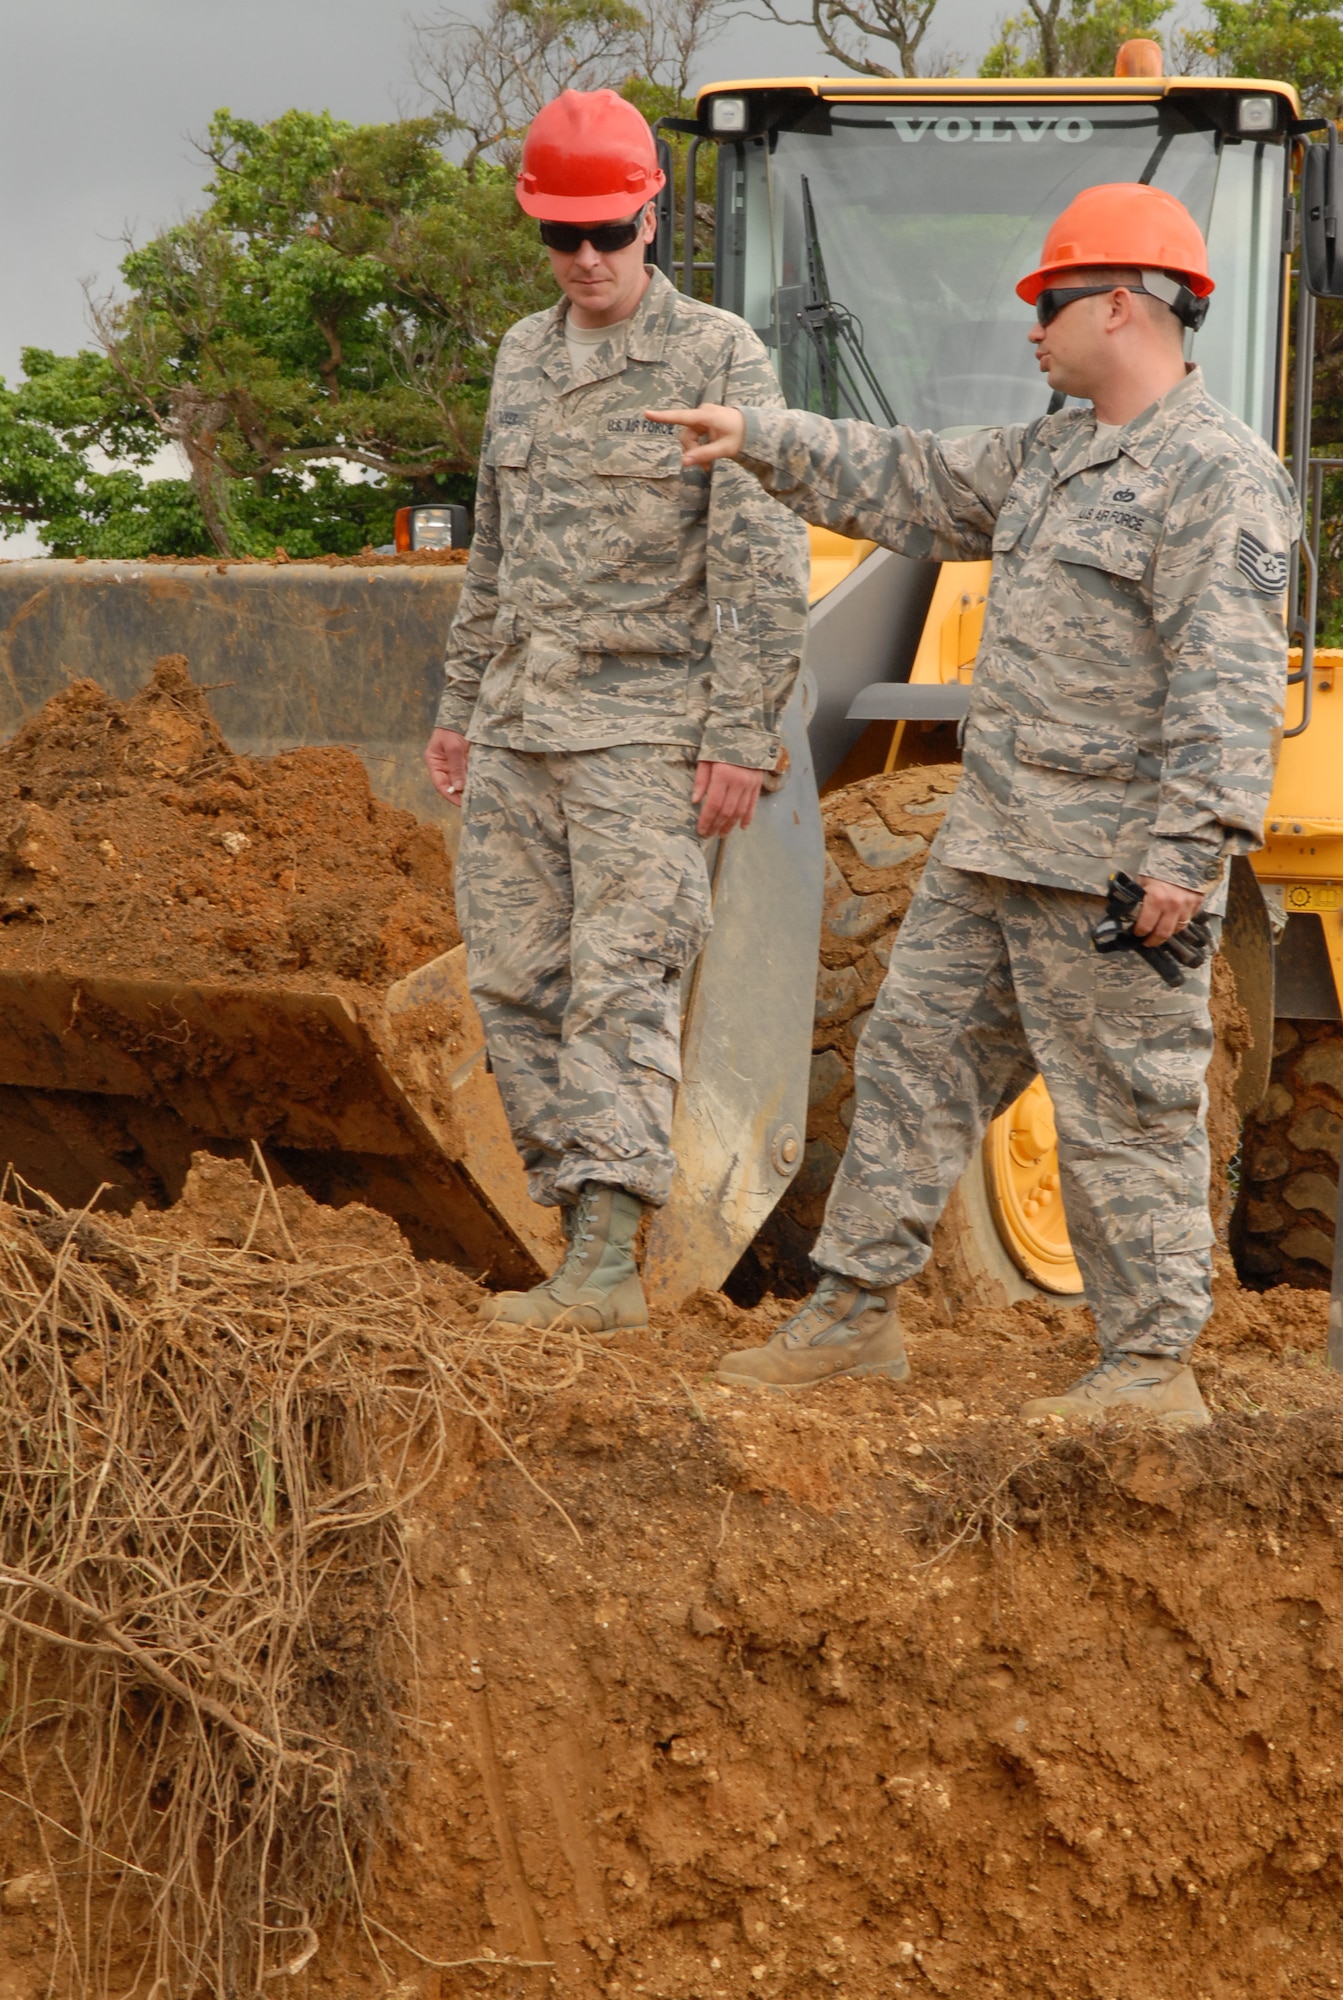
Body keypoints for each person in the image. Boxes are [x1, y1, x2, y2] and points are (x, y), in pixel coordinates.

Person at [649, 182, 1298, 1426]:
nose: (1028, 327)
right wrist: (759, 433)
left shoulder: (1216, 475)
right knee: (908, 1061)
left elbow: (1223, 684)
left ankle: (1150, 1368)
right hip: (995, 843)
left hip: (1112, 876)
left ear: (1121, 303)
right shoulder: (1046, 457)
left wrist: (1184, 857)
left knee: (1122, 1112)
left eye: (1044, 302)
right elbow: (902, 474)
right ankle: (854, 1311)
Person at [424, 88, 809, 1334]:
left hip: (648, 727)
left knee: (620, 983)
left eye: (607, 232)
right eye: (559, 236)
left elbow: (759, 560)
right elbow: (493, 553)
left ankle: (604, 1257)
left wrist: (742, 737)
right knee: (513, 981)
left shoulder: (718, 358)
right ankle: (573, 1224)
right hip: (522, 726)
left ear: (652, 216)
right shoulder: (521, 357)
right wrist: (458, 705)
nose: (584, 259)